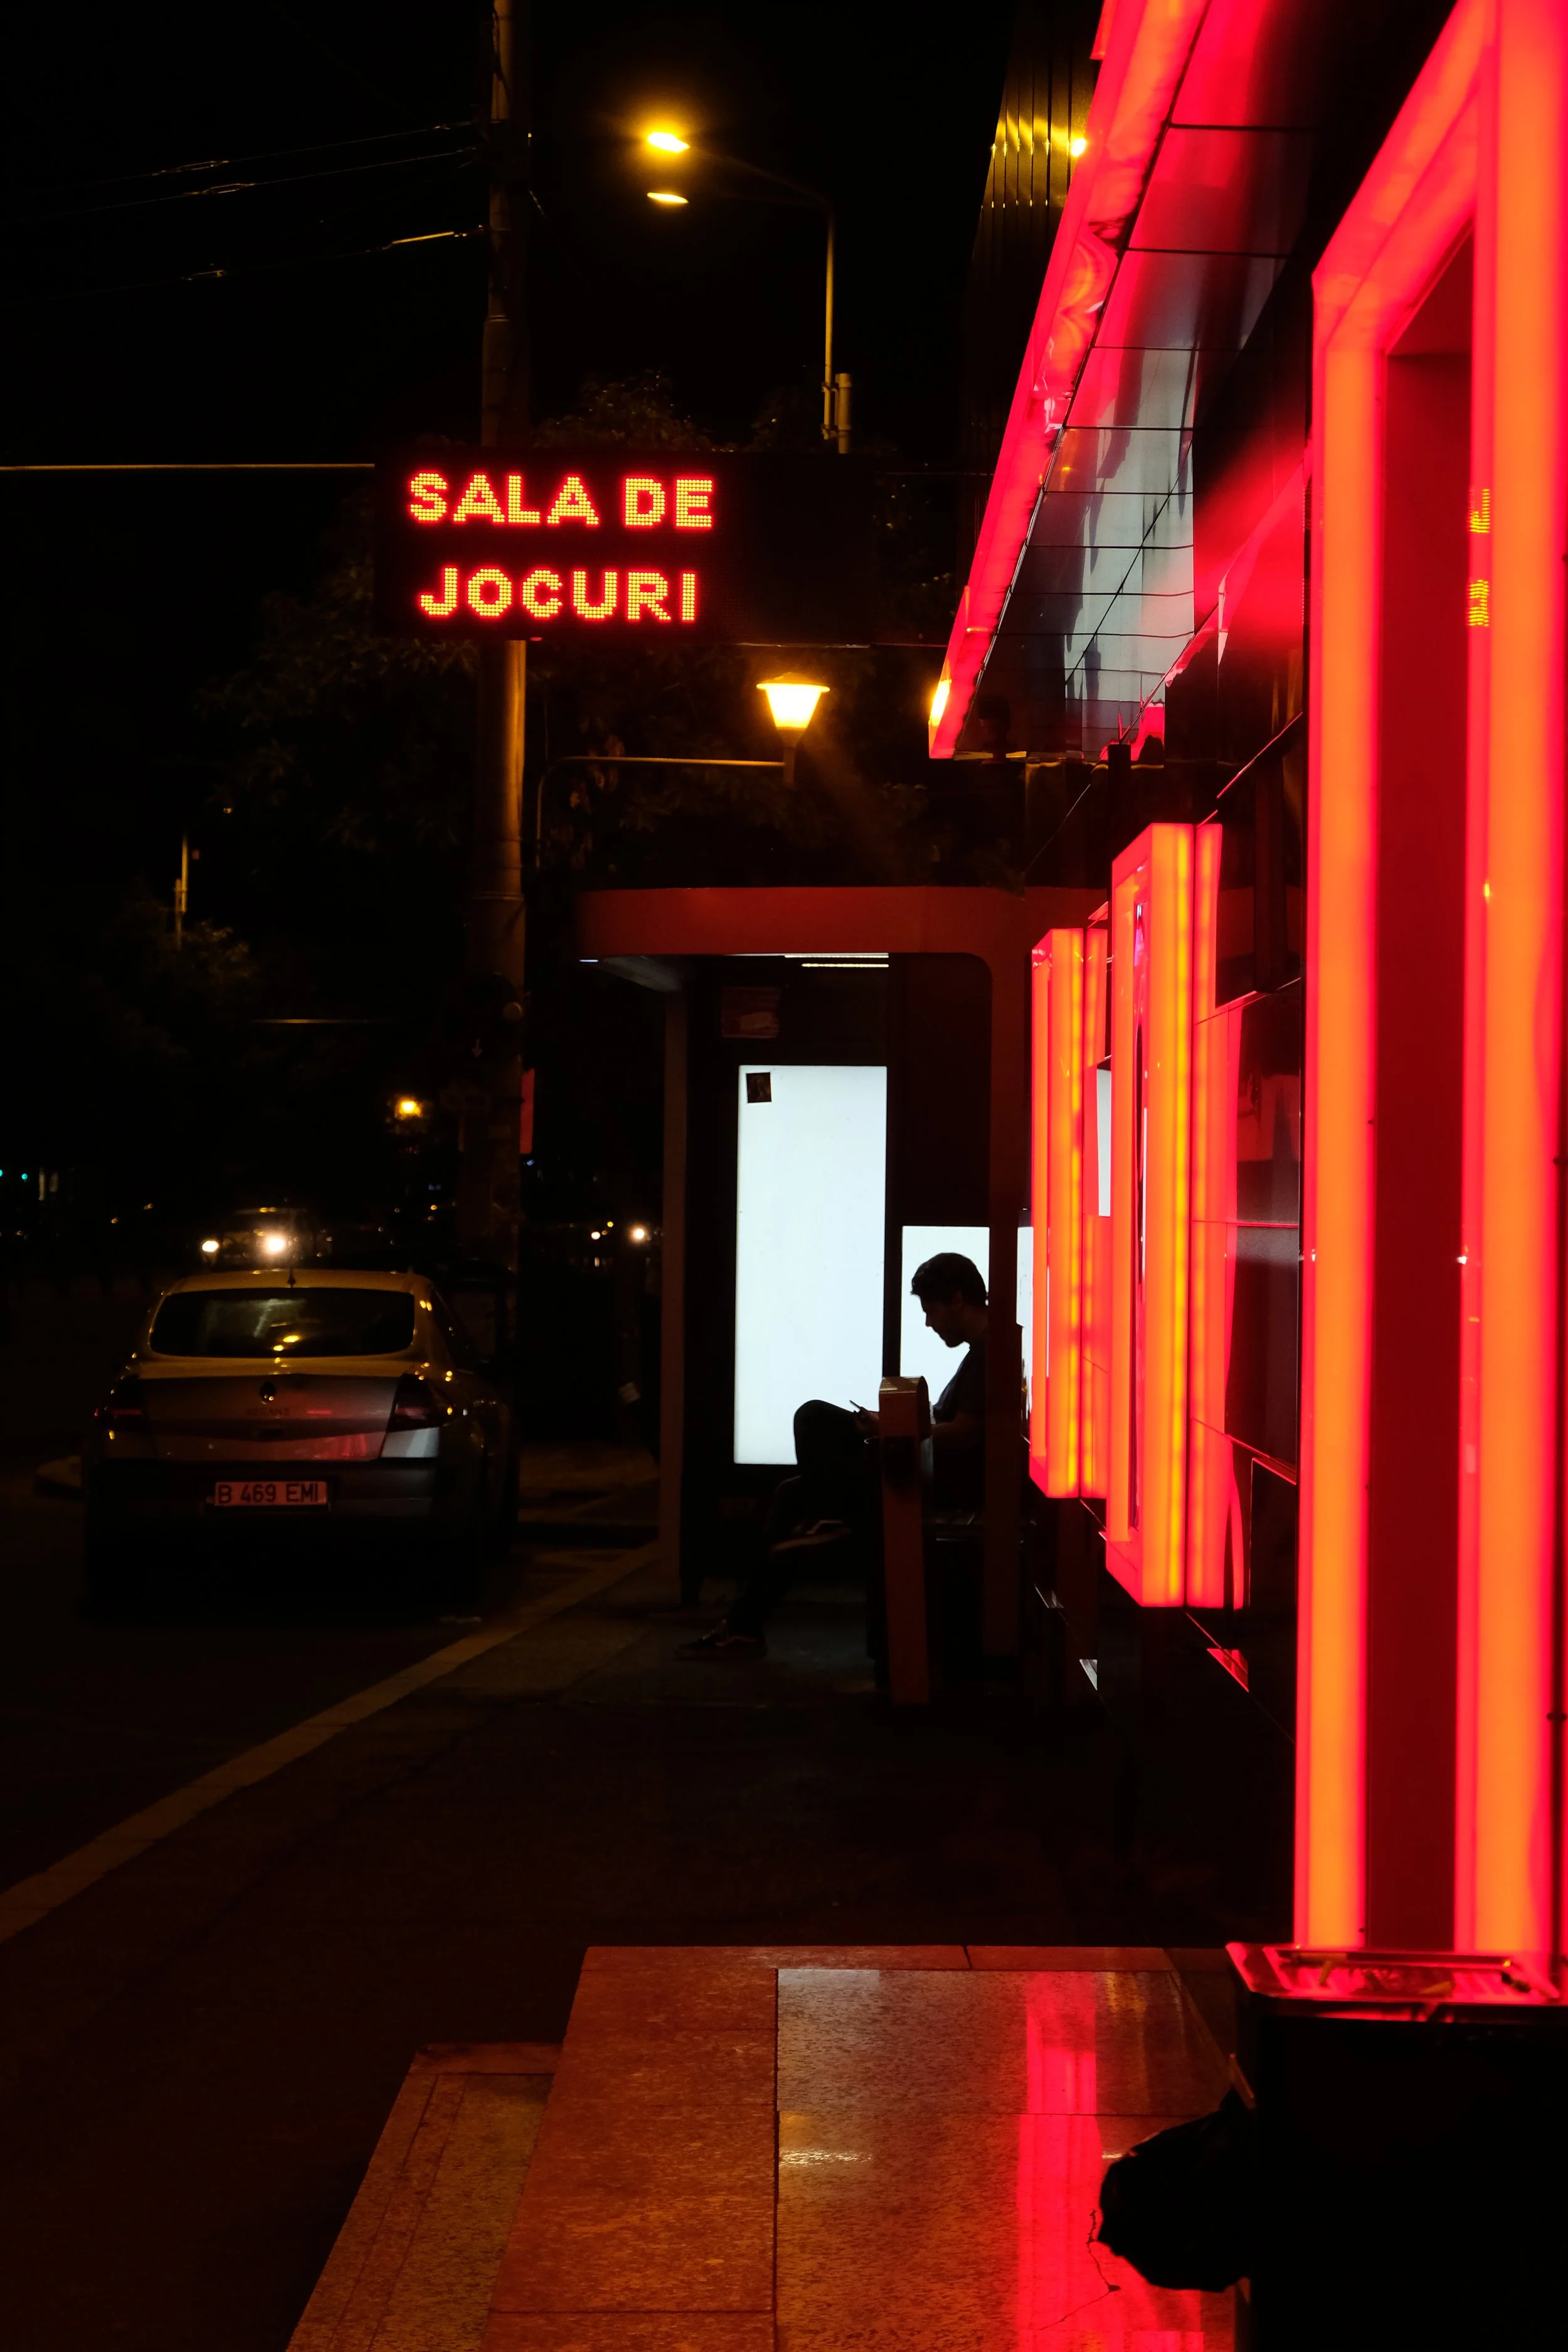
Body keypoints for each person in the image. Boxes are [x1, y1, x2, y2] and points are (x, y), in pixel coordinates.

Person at [678, 1251, 989, 1660]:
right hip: (925, 1471)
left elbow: (968, 1432)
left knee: (813, 1417)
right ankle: (743, 1626)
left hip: (932, 1484)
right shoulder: (982, 1353)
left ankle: (837, 1508)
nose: (929, 1322)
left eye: (931, 1309)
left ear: (957, 1299)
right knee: (793, 1490)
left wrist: (898, 1428)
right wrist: (888, 1422)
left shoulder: (987, 1356)